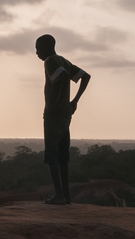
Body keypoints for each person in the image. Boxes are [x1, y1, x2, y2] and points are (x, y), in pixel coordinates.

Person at [36, 34, 90, 205]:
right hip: (66, 114)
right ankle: (66, 196)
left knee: (52, 155)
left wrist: (57, 103)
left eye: (38, 48)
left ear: (47, 47)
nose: (36, 53)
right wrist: (74, 101)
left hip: (54, 115)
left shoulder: (50, 61)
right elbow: (85, 76)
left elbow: (65, 76)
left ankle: (59, 196)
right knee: (63, 156)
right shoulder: (63, 60)